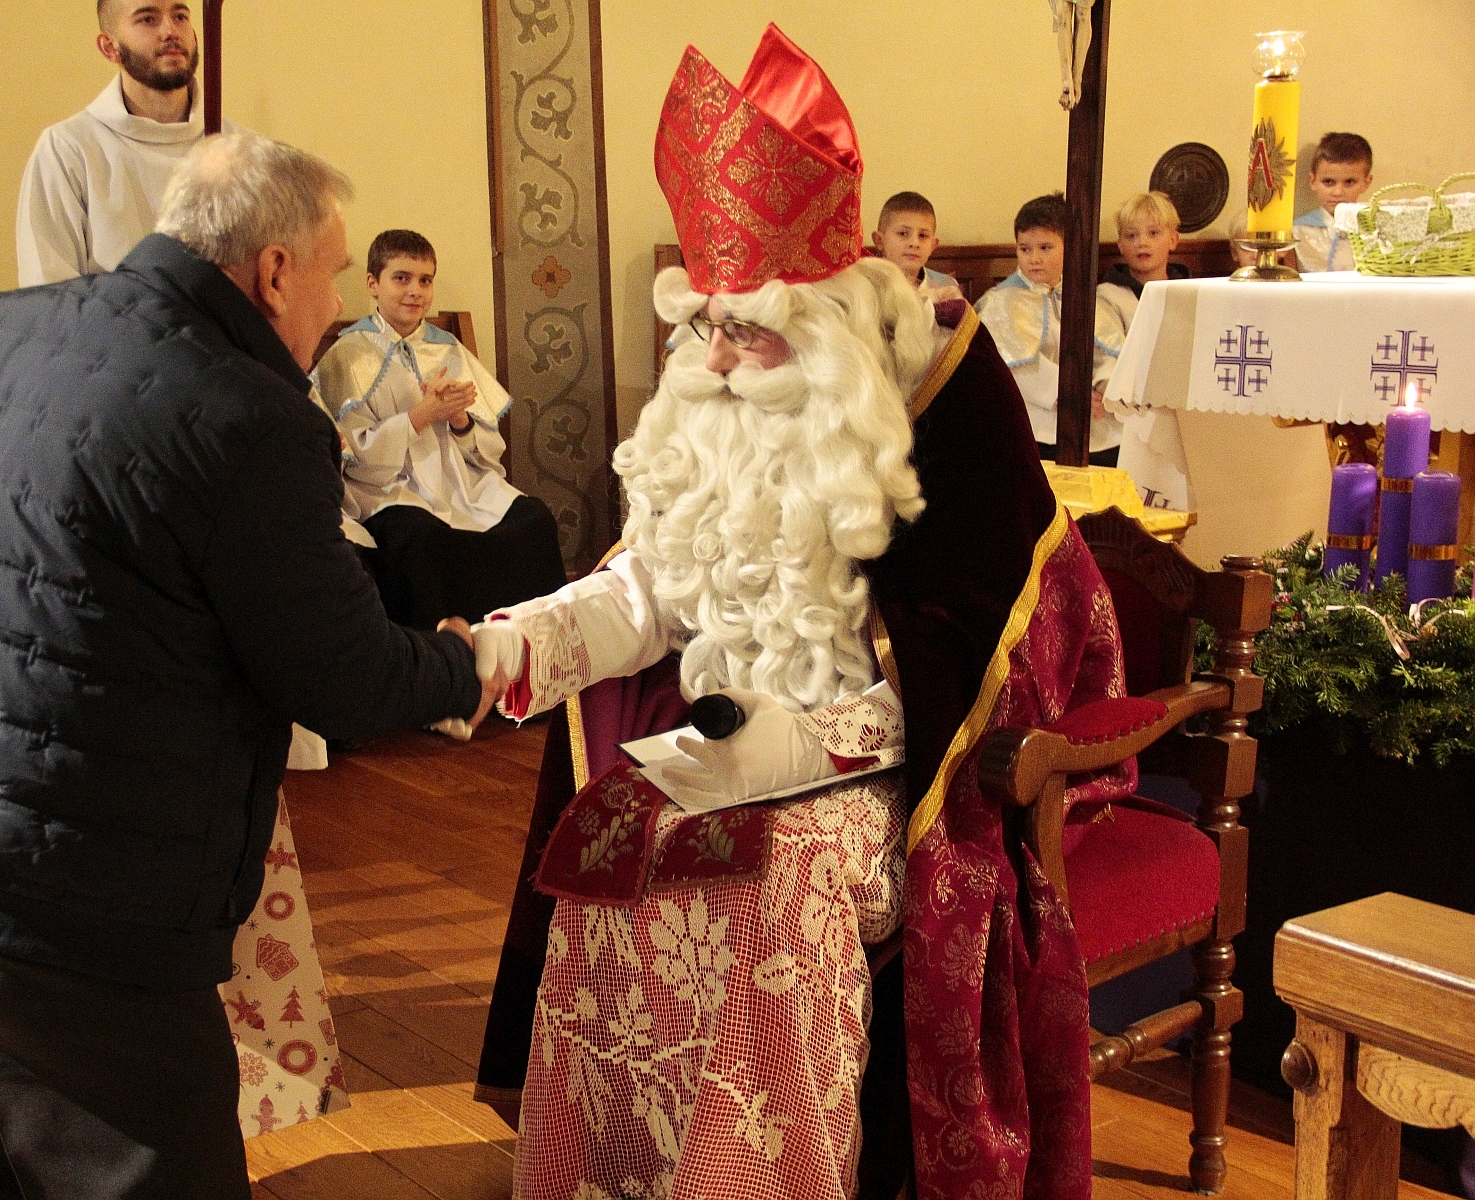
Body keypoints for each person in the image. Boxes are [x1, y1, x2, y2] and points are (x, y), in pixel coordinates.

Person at [472, 25, 1127, 1200]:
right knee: (607, 845)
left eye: (746, 326)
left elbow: (975, 661)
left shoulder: (943, 407)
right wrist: (518, 643)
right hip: (719, 743)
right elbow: (648, 586)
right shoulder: (714, 409)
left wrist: (799, 747)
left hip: (896, 772)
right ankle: (614, 1174)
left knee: (775, 889)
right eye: (705, 324)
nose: (718, 357)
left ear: (823, 322)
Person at [0, 131, 501, 1200]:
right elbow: (340, 675)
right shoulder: (247, 413)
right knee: (140, 1171)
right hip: (65, 874)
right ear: (273, 270)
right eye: (333, 272)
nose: (335, 304)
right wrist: (459, 666)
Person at [312, 229, 568, 630]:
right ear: (373, 284)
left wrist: (459, 419)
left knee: (533, 519)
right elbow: (355, 458)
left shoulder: (447, 348)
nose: (415, 291)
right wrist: (421, 414)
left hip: (459, 484)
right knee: (421, 539)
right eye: (401, 278)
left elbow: (488, 450)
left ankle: (531, 646)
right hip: (391, 490)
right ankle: (445, 653)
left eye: (425, 280)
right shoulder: (348, 355)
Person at [16, 0, 230, 287]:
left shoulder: (237, 148)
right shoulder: (69, 149)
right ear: (109, 47)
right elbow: (49, 291)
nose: (170, 31)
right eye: (148, 19)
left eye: (180, 16)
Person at [976, 191, 1129, 465]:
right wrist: (1073, 395)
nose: (1034, 258)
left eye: (1045, 248)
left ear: (1069, 247)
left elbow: (1109, 351)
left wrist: (1104, 387)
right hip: (1037, 425)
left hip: (1095, 419)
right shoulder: (1001, 303)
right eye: (1025, 249)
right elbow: (1019, 368)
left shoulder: (1085, 296)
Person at [1103, 192, 1193, 509]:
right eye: (1131, 236)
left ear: (1173, 239)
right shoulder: (1109, 296)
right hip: (1133, 413)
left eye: (1153, 233)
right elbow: (1111, 357)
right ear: (1120, 244)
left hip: (1184, 410)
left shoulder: (1191, 292)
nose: (1142, 243)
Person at [1294, 131, 1374, 273]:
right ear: (1312, 181)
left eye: (1349, 182)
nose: (1338, 192)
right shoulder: (1298, 232)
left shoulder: (1374, 230)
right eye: (1328, 182)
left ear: (1366, 183)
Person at [871, 190, 960, 301]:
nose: (914, 243)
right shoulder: (866, 285)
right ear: (879, 240)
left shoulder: (946, 286)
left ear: (933, 245)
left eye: (923, 235)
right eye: (903, 233)